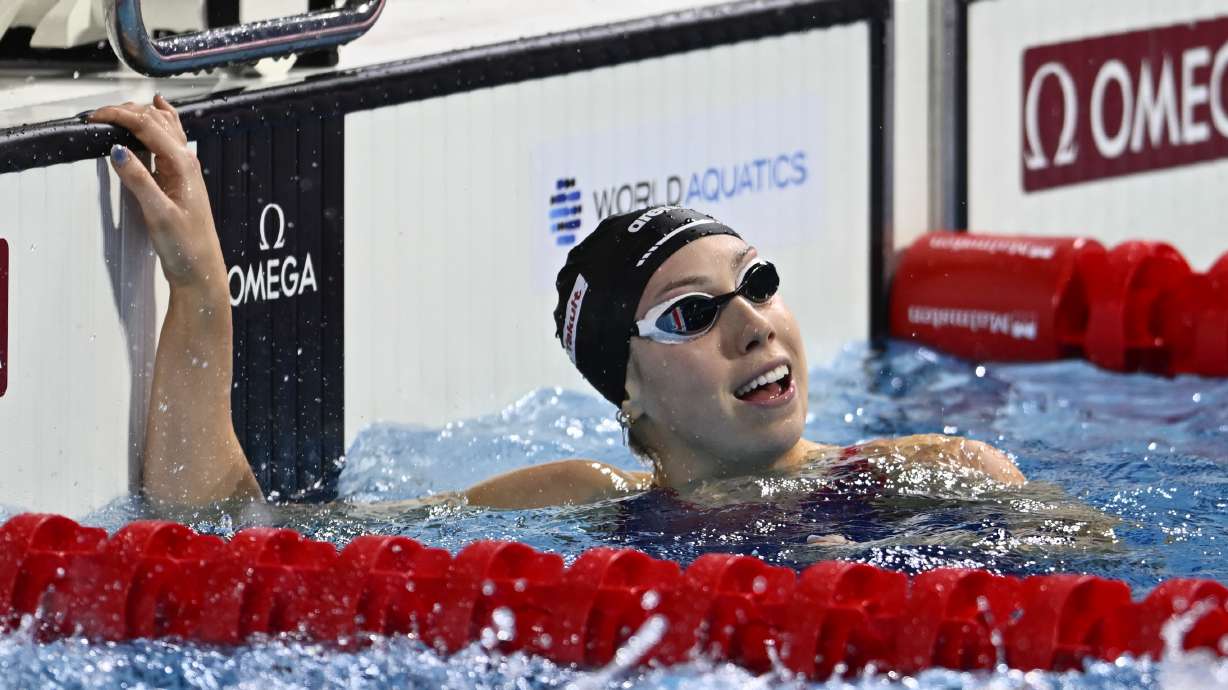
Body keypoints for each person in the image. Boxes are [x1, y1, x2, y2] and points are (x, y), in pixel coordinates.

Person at [89, 98, 1025, 510]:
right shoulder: (580, 501)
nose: (752, 325)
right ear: (628, 393)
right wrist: (202, 290)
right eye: (692, 314)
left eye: (757, 282)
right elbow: (232, 536)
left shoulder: (938, 477)